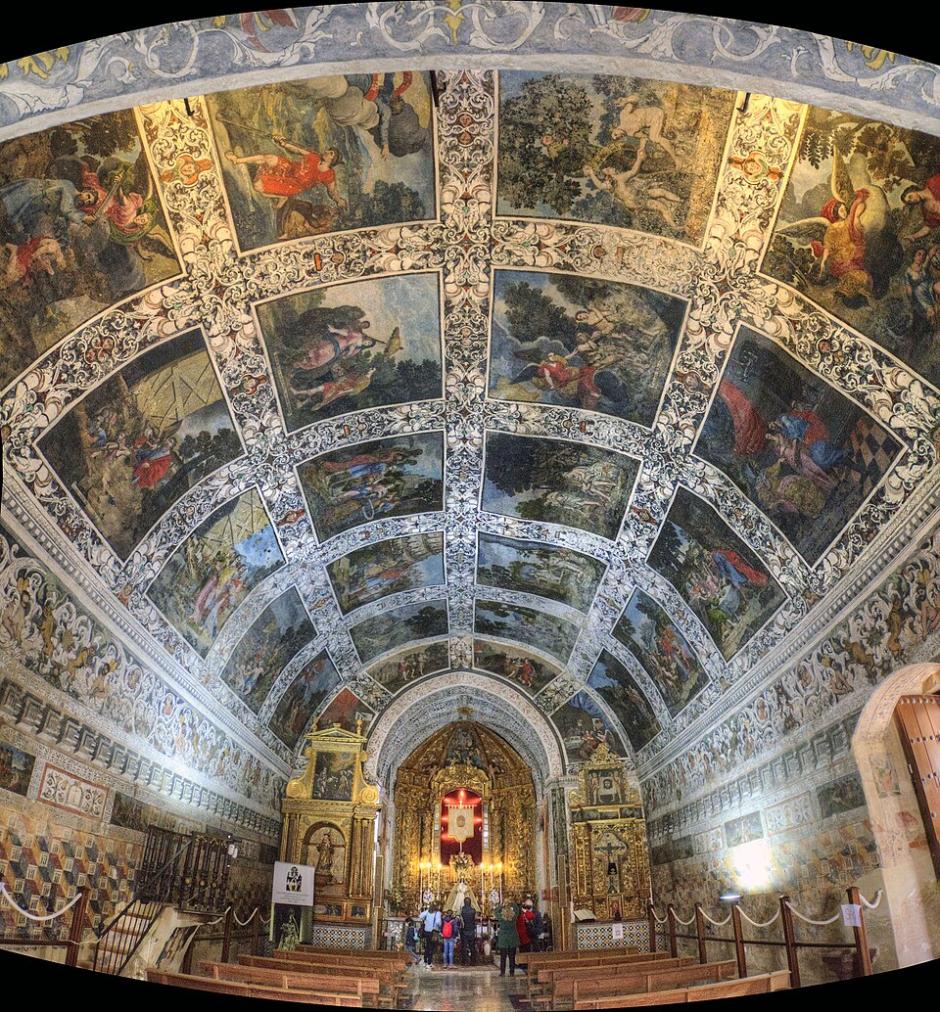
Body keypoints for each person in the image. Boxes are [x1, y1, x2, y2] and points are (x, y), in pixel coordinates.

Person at [496, 897, 521, 977]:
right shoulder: (513, 916)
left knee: (503, 957)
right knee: (512, 957)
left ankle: (502, 972)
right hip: (512, 937)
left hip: (503, 938)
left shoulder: (501, 917)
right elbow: (517, 909)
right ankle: (511, 972)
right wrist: (511, 903)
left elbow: (495, 911)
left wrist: (502, 905)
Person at [420, 903, 442, 967]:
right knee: (431, 947)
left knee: (427, 946)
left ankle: (425, 961)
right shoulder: (437, 913)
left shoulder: (427, 912)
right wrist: (440, 925)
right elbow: (438, 922)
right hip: (433, 932)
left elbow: (420, 916)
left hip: (426, 931)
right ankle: (429, 963)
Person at [460, 896, 477, 966]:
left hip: (464, 930)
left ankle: (464, 961)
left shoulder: (462, 910)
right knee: (472, 946)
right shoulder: (473, 910)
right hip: (471, 930)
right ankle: (473, 961)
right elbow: (474, 919)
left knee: (464, 946)